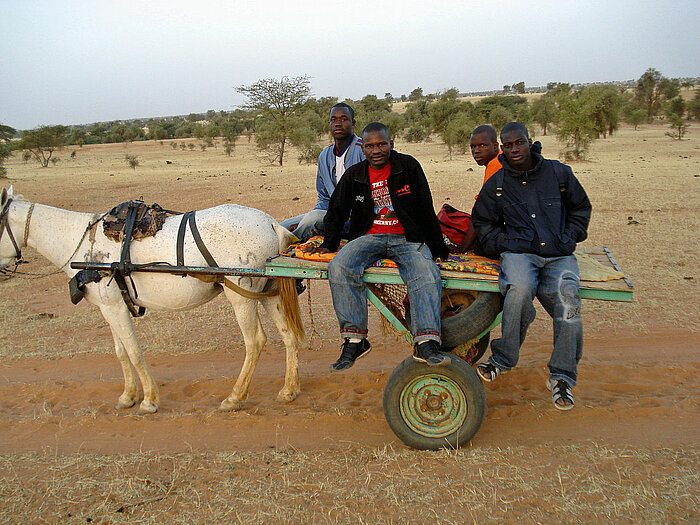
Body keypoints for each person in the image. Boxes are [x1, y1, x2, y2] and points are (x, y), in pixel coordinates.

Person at [306, 122, 450, 371]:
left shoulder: (408, 167)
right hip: (368, 237)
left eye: (382, 144)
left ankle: (426, 342)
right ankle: (354, 340)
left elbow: (426, 208)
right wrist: (329, 244)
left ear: (391, 144)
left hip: (406, 237)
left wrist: (438, 250)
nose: (376, 150)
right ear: (363, 149)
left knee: (425, 273)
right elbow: (336, 210)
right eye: (370, 145)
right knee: (339, 266)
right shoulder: (355, 174)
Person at [471, 122, 591, 410]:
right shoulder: (498, 183)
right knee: (520, 288)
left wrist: (569, 237)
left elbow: (580, 208)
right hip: (519, 254)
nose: (514, 149)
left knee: (568, 302)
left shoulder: (558, 173)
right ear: (502, 148)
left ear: (529, 142)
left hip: (558, 255)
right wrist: (504, 243)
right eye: (508, 145)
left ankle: (562, 377)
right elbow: (482, 222)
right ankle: (502, 359)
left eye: (519, 143)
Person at [280, 103, 365, 241]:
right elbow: (324, 197)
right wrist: (308, 219)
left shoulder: (363, 150)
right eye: (334, 120)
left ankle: (292, 244)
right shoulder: (325, 155)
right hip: (331, 213)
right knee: (282, 226)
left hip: (356, 217)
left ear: (353, 122)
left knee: (308, 223)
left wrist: (310, 221)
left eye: (343, 119)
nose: (338, 124)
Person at [457, 125, 502, 252]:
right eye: (473, 146)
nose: (476, 151)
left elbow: (480, 210)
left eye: (482, 145)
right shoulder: (501, 160)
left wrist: (463, 248)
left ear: (495, 146)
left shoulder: (496, 165)